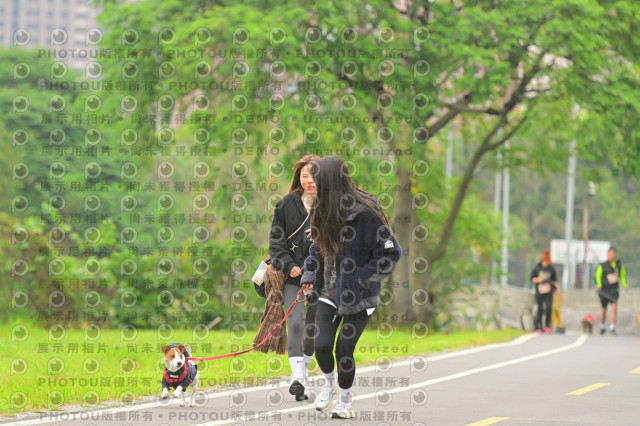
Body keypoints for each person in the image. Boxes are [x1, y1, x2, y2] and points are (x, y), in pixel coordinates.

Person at [300, 155, 402, 419]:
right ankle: (330, 384)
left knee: (343, 349)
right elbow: (316, 248)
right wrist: (309, 273)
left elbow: (391, 253)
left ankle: (345, 400)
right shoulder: (321, 209)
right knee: (322, 346)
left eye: (317, 180)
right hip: (328, 290)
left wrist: (359, 280)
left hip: (359, 295)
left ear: (331, 182)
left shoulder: (366, 213)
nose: (312, 184)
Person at [268, 154, 319, 400]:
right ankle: (298, 378)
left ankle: (304, 374)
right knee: (296, 323)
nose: (309, 180)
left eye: (314, 176)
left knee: (313, 329)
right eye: (304, 176)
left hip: (321, 278)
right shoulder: (286, 204)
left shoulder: (333, 205)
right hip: (292, 277)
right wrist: (289, 265)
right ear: (298, 178)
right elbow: (275, 242)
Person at [594, 246, 629, 335]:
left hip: (614, 290)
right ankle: (602, 326)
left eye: (613, 254)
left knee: (614, 308)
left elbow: (622, 276)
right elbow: (597, 276)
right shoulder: (602, 265)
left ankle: (612, 327)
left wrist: (625, 284)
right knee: (604, 309)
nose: (612, 256)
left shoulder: (619, 265)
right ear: (607, 254)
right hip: (604, 290)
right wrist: (599, 284)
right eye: (610, 254)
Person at [530, 250, 559, 334]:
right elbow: (532, 279)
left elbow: (555, 281)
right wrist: (538, 280)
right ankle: (538, 325)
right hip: (539, 292)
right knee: (540, 308)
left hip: (549, 292)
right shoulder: (537, 269)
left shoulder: (551, 269)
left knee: (549, 307)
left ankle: (547, 325)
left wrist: (558, 290)